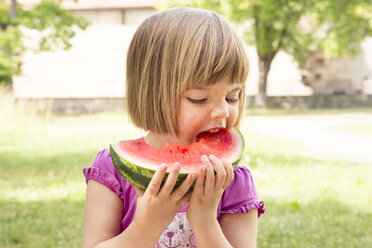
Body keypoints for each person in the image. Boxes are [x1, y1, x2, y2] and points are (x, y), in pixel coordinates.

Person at [82, 7, 265, 248]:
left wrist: (205, 222)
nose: (223, 111)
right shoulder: (112, 169)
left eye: (232, 97)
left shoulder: (233, 182)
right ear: (152, 94)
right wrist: (147, 224)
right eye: (199, 99)